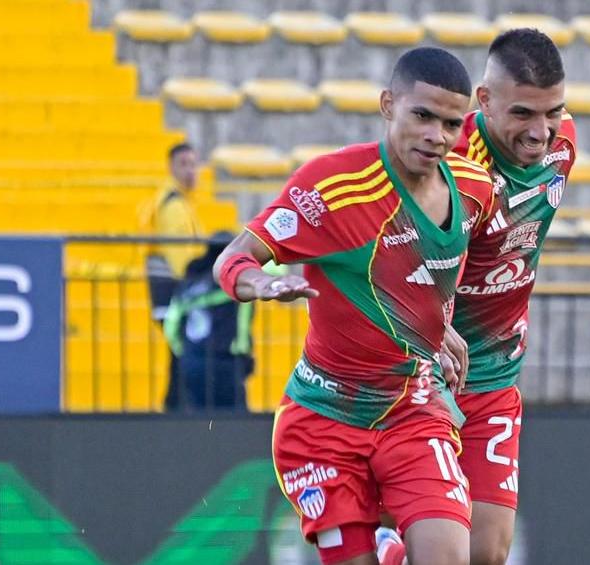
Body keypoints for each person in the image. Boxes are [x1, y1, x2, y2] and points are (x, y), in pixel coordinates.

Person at [212, 46, 495, 565]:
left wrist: (437, 324)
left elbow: (423, 271)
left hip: (412, 408)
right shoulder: (333, 187)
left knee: (451, 556)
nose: (437, 136)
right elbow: (234, 258)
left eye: (452, 124)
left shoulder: (475, 188)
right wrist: (261, 284)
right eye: (423, 116)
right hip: (324, 420)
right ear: (389, 104)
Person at [377, 28, 578, 565]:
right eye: (522, 116)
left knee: (487, 552)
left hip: (497, 375)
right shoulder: (447, 164)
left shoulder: (564, 146)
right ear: (483, 102)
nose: (541, 133)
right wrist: (431, 323)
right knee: (440, 548)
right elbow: (388, 256)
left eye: (553, 112)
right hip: (423, 373)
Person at [143, 142, 205, 409]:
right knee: (183, 357)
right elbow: (181, 259)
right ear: (170, 168)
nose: (190, 171)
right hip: (174, 296)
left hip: (168, 297)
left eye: (193, 165)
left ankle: (173, 408)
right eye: (184, 165)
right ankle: (175, 411)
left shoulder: (177, 203)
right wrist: (197, 286)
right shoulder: (174, 206)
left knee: (179, 357)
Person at [162, 232, 254, 411]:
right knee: (235, 421)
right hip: (225, 360)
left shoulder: (190, 280)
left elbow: (171, 323)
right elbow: (243, 322)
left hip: (192, 359)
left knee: (198, 418)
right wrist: (243, 352)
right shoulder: (235, 283)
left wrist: (183, 350)